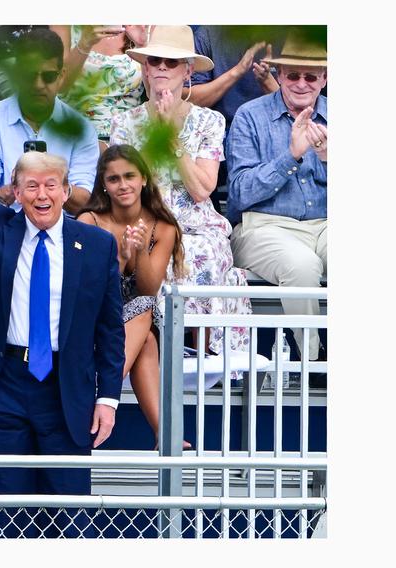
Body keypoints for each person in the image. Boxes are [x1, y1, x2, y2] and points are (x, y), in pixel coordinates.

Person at [0, 141, 125, 538]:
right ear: (16, 192)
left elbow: (109, 327)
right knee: (7, 513)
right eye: (32, 186)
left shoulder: (96, 244)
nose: (42, 195)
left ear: (67, 191)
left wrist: (107, 397)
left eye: (51, 185)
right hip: (4, 383)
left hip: (66, 389)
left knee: (70, 514)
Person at [111, 25, 251, 355]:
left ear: (187, 70)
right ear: (144, 67)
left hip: (196, 226)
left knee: (200, 254)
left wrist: (173, 141)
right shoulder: (124, 122)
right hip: (143, 221)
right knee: (140, 252)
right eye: (155, 60)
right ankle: (152, 356)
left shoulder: (209, 121)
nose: (161, 68)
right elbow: (124, 188)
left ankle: (203, 359)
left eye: (171, 63)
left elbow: (203, 190)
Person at [226, 33, 327, 362]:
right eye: (292, 75)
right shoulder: (249, 115)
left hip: (327, 224)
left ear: (325, 78)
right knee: (302, 266)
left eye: (310, 76)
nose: (301, 83)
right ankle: (313, 362)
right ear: (279, 74)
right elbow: (240, 191)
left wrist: (330, 159)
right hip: (265, 226)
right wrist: (291, 157)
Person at [77, 145, 186, 447]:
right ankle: (163, 430)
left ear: (144, 180)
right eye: (114, 179)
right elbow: (92, 287)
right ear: (104, 185)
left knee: (144, 309)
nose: (123, 185)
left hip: (140, 311)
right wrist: (121, 258)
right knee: (146, 337)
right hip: (94, 313)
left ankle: (159, 430)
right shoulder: (89, 221)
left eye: (129, 176)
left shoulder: (162, 227)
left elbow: (149, 288)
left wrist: (138, 251)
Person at [0, 28, 98, 214]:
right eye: (30, 75)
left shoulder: (82, 130)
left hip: (63, 229)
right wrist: (19, 186)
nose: (38, 84)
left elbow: (84, 201)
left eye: (48, 76)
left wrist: (52, 182)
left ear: (61, 76)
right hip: (7, 226)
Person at [61, 25, 150, 140]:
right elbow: (58, 86)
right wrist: (84, 43)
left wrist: (142, 46)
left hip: (127, 133)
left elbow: (155, 92)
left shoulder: (144, 27)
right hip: (75, 132)